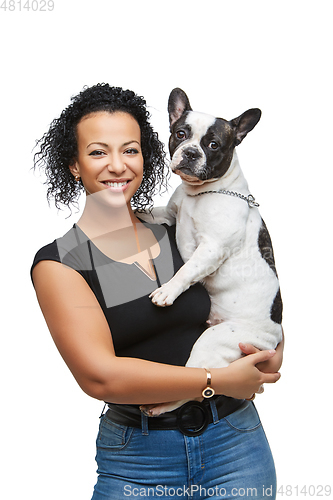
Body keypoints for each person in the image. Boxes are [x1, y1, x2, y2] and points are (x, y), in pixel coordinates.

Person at [31, 83, 284, 499]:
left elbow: (255, 286)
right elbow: (101, 377)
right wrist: (215, 380)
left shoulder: (176, 228)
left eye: (130, 150)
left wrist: (269, 348)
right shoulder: (63, 262)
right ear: (74, 164)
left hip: (236, 443)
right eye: (98, 152)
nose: (117, 165)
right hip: (139, 460)